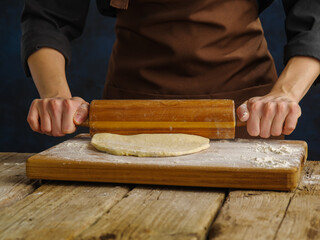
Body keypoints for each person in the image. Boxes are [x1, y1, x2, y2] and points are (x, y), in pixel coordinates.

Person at [21, 0, 320, 138]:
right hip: (129, 120)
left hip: (248, 119)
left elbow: (314, 17)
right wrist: (56, 96)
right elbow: (47, 17)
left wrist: (284, 93)